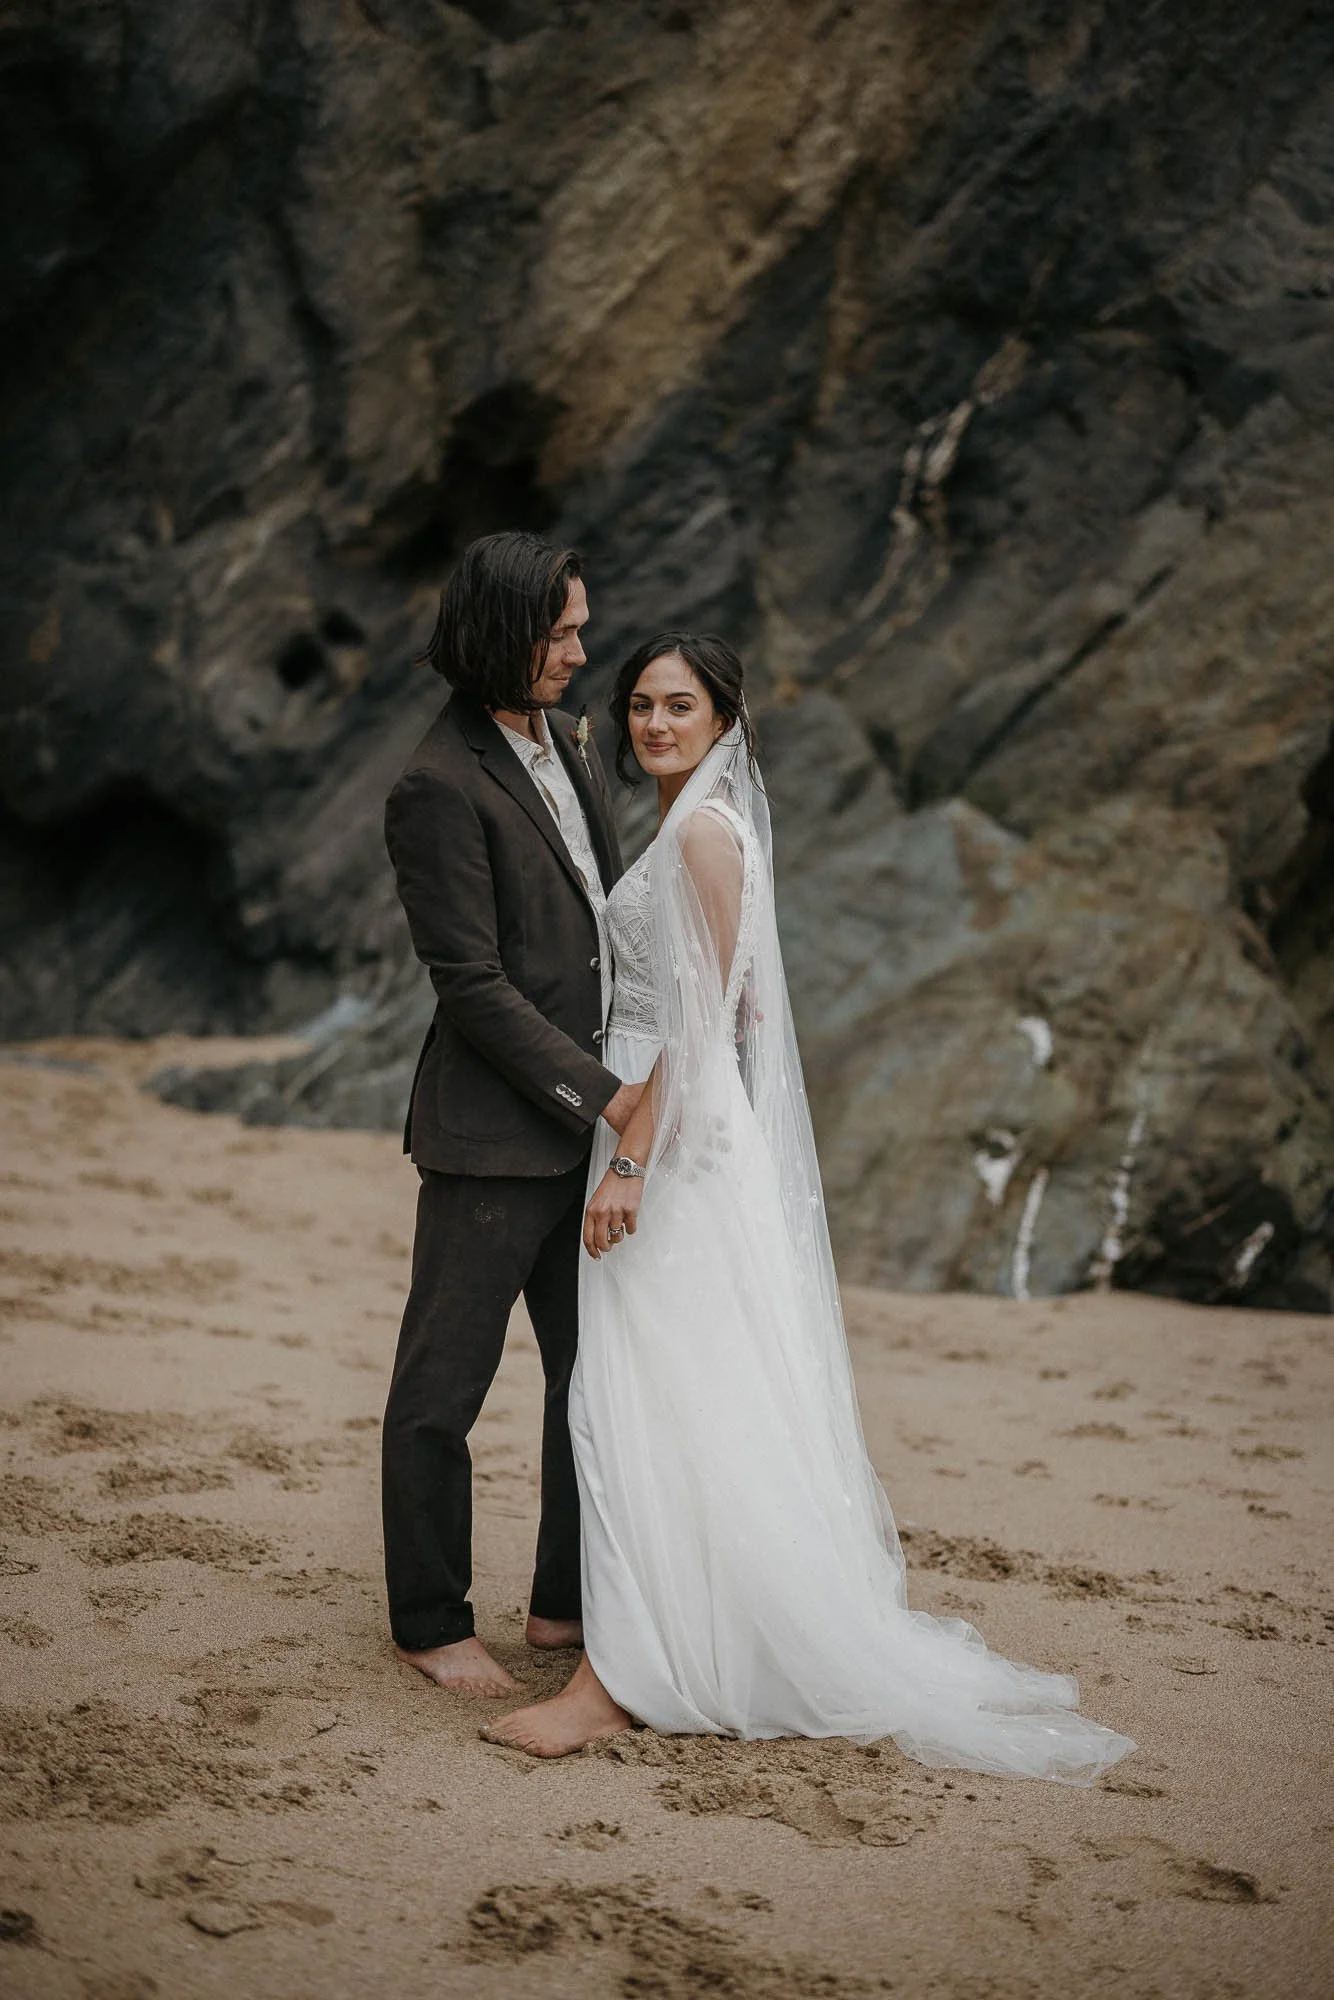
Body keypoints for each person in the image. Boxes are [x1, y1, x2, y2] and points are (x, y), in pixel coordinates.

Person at [482, 633, 1136, 1783]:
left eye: (678, 705)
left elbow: (702, 1021)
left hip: (664, 1139)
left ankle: (620, 1680)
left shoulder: (700, 833)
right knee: (662, 1389)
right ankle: (663, 1635)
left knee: (640, 1394)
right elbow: (732, 1013)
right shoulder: (696, 824)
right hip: (672, 1121)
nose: (652, 723)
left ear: (724, 718)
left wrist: (632, 1157)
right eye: (640, 704)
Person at [381, 531, 642, 1696]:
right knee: (442, 1390)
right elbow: (472, 985)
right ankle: (429, 1620)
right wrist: (605, 1092)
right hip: (489, 1141)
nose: (580, 654)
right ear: (499, 635)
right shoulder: (434, 786)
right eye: (558, 633)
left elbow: (600, 924)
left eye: (580, 627)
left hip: (586, 1139)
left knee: (590, 1382)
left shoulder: (569, 740)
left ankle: (560, 1604)